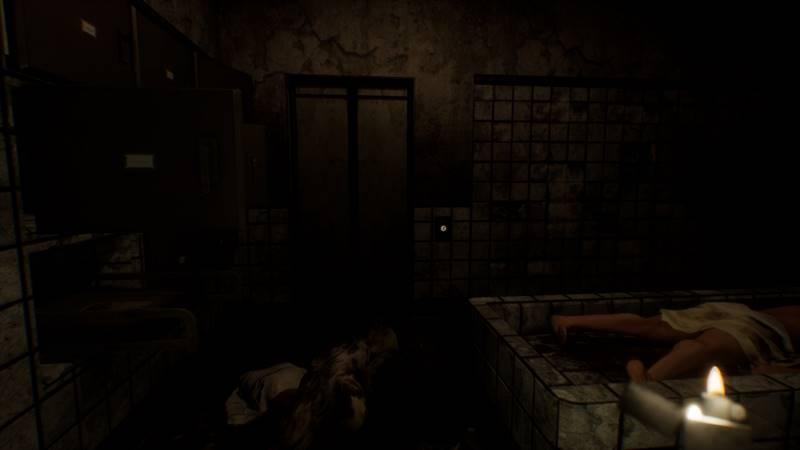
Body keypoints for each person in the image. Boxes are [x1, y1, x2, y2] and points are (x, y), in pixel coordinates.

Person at [550, 302, 800, 382]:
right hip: (763, 328)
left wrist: (776, 370)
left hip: (743, 312)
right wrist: (776, 369)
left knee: (651, 326)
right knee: (703, 348)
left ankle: (568, 320)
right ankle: (646, 382)